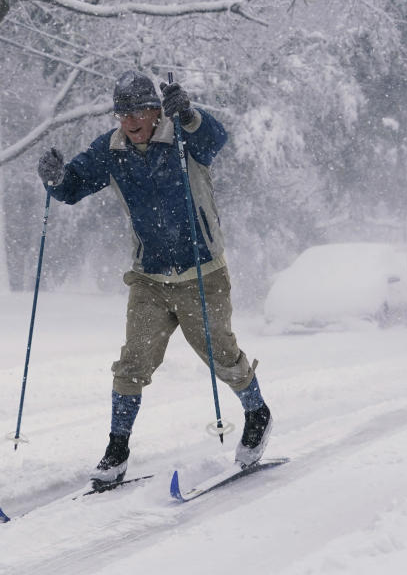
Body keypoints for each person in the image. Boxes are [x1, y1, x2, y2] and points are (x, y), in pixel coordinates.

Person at [36, 70, 272, 484]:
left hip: (202, 272)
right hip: (149, 277)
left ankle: (258, 413)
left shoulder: (182, 134)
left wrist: (191, 115)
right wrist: (55, 179)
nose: (129, 122)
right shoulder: (110, 150)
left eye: (137, 112)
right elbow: (73, 187)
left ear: (155, 110)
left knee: (220, 354)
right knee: (132, 363)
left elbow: (215, 140)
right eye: (121, 113)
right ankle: (117, 449)